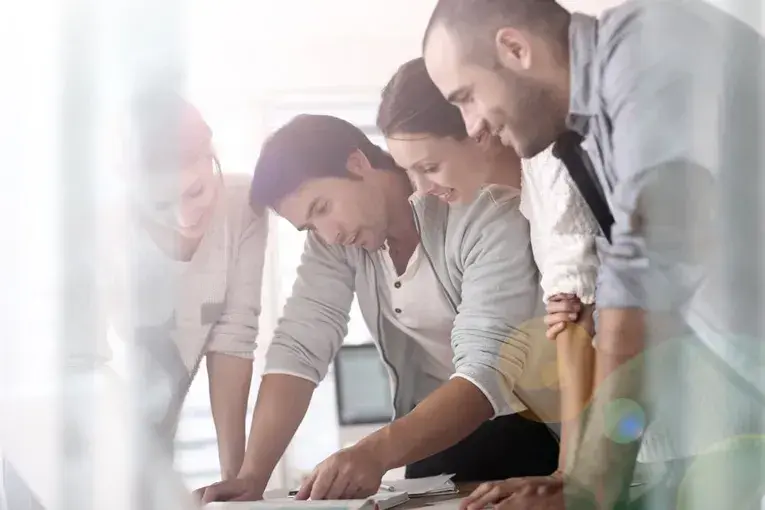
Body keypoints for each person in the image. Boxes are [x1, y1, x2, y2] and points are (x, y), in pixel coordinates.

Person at [422, 0, 765, 508]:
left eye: (466, 97)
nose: (472, 126)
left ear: (515, 48)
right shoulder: (589, 137)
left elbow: (651, 255)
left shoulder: (647, 43)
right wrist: (578, 476)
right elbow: (640, 313)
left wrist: (592, 484)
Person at [196, 113, 560, 503]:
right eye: (310, 226)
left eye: (322, 207)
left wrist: (373, 451)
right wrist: (252, 476)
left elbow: (488, 368)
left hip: (532, 428)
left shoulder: (484, 213)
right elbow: (299, 346)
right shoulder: (339, 242)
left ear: (357, 163)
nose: (329, 234)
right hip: (430, 437)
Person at [376, 55, 600, 485]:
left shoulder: (552, 169)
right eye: (410, 172)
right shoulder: (526, 197)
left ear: (475, 128)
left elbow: (578, 328)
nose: (421, 189)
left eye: (430, 167)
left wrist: (570, 477)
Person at [118, 89, 269, 477]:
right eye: (160, 205)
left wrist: (236, 482)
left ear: (210, 153)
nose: (185, 219)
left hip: (156, 447)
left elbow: (234, 337)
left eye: (195, 191)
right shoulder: (101, 231)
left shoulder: (242, 206)